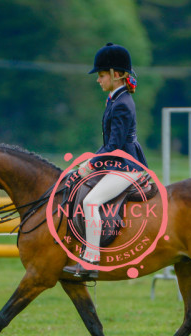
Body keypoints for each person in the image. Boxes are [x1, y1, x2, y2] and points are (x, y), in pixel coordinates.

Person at [63, 43, 149, 279]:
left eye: (101, 75)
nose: (98, 80)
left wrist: (91, 163)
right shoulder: (115, 99)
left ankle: (91, 259)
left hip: (127, 166)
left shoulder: (122, 104)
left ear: (116, 74)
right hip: (117, 162)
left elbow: (114, 146)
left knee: (91, 202)